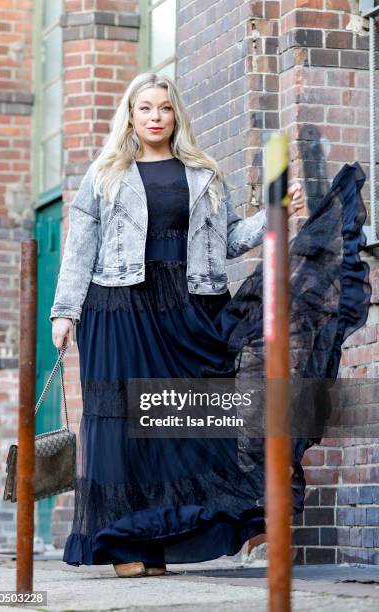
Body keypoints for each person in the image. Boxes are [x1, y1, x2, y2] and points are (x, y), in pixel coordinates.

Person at [50, 72, 370, 577]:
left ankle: (163, 539)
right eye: (145, 109)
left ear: (176, 115)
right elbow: (78, 249)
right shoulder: (105, 173)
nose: (155, 117)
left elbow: (225, 240)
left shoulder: (203, 172)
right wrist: (64, 311)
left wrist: (276, 212)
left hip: (189, 305)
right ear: (130, 116)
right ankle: (124, 546)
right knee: (122, 427)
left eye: (164, 108)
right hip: (118, 306)